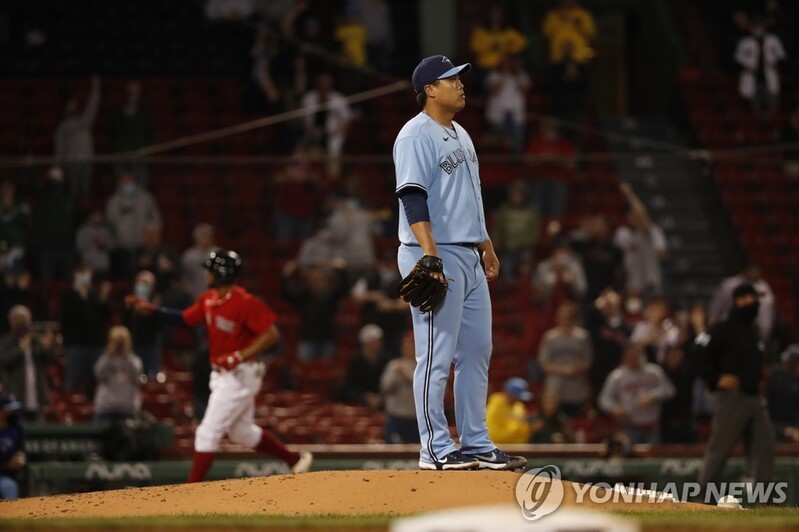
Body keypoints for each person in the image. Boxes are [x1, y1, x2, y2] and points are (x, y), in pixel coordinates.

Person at [393, 54, 526, 471]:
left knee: (477, 351)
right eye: (451, 79)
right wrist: (430, 254)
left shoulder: (463, 134)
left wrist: (485, 242)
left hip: (468, 252)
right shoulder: (415, 135)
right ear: (430, 89)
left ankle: (475, 442)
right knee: (436, 352)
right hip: (434, 252)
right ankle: (434, 448)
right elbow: (412, 196)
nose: (460, 84)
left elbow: (471, 197)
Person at [127, 249, 313, 482]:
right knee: (242, 432)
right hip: (223, 375)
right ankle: (295, 460)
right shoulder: (209, 299)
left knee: (207, 433)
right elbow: (185, 319)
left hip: (239, 374)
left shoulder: (244, 302)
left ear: (222, 273)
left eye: (211, 271)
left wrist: (239, 355)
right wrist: (154, 310)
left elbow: (272, 334)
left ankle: (190, 491)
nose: (207, 275)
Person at [693, 283, 775, 503]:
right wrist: (715, 379)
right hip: (732, 398)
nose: (754, 304)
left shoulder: (752, 329)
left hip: (754, 398)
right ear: (739, 301)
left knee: (764, 447)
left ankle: (765, 503)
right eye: (750, 298)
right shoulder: (723, 328)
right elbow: (699, 353)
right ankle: (701, 499)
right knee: (720, 450)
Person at [598, 343, 675, 445]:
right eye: (629, 356)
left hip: (652, 427)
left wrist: (652, 396)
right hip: (629, 426)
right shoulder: (617, 376)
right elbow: (604, 399)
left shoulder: (653, 372)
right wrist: (614, 408)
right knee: (626, 455)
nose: (632, 359)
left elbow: (670, 390)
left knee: (652, 457)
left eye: (635, 355)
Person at [0, 306, 57, 422]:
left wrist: (48, 347)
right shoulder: (5, 342)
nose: (21, 325)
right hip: (15, 399)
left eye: (24, 321)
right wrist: (21, 348)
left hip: (37, 399)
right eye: (18, 321)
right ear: (12, 323)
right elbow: (4, 360)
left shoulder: (36, 340)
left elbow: (52, 359)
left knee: (39, 436)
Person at [61, 265, 112, 395]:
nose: (84, 276)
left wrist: (104, 299)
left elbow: (106, 316)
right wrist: (81, 299)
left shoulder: (95, 294)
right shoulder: (69, 295)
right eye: (81, 273)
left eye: (87, 273)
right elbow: (69, 317)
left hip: (95, 345)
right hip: (75, 346)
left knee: (96, 383)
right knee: (72, 383)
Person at [536, 301, 592, 416]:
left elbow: (588, 360)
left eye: (568, 317)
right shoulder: (550, 337)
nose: (564, 320)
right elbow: (543, 362)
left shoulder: (582, 336)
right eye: (562, 317)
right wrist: (563, 370)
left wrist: (574, 370)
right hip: (555, 388)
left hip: (576, 387)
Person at [614, 183, 668, 298]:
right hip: (632, 286)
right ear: (628, 217)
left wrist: (630, 195)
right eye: (633, 214)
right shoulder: (622, 233)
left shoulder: (652, 230)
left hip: (651, 284)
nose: (636, 217)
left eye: (637, 214)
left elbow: (643, 218)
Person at [105, 172, 162, 279]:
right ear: (119, 183)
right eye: (124, 181)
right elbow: (110, 223)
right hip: (121, 246)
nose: (127, 184)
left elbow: (155, 218)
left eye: (129, 181)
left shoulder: (145, 197)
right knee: (123, 275)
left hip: (141, 245)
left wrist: (153, 233)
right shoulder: (114, 201)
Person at [54, 74, 101, 200]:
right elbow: (60, 147)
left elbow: (92, 106)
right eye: (70, 105)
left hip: (86, 160)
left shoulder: (84, 121)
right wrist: (59, 165)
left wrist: (96, 88)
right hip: (72, 162)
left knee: (85, 193)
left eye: (74, 105)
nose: (72, 106)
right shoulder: (63, 127)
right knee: (73, 193)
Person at [300, 73, 353, 177]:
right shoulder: (309, 98)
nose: (324, 83)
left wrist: (334, 132)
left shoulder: (338, 99)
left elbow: (348, 121)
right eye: (322, 80)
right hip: (312, 140)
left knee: (333, 172)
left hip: (332, 141)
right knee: (302, 163)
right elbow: (302, 120)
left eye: (326, 80)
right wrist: (309, 131)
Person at [708, 263, 775, 342]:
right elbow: (716, 305)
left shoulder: (763, 287)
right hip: (730, 328)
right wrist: (712, 321)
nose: (755, 273)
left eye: (756, 270)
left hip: (755, 330)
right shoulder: (729, 285)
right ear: (745, 270)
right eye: (752, 270)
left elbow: (769, 309)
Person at [734, 15, 786, 114]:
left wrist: (776, 63)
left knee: (772, 105)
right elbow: (737, 60)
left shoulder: (773, 39)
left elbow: (782, 56)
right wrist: (745, 67)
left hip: (769, 77)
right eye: (756, 26)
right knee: (754, 107)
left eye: (760, 26)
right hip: (752, 77)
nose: (758, 28)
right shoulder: (744, 42)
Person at [107, 80, 155, 186]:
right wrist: (119, 147)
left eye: (135, 92)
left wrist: (146, 149)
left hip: (139, 157)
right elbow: (111, 134)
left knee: (140, 186)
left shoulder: (144, 113)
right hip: (121, 156)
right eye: (130, 92)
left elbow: (151, 135)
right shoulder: (118, 114)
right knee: (122, 186)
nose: (132, 95)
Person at [491, 180, 540, 279]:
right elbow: (497, 229)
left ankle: (525, 290)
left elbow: (534, 232)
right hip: (507, 248)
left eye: (518, 194)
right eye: (513, 194)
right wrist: (496, 243)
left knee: (526, 264)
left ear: (524, 195)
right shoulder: (504, 209)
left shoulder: (531, 210)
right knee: (505, 266)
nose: (515, 197)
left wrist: (520, 243)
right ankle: (508, 289)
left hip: (525, 248)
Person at [93, 326, 143, 423]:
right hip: (106, 407)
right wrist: (109, 354)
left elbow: (136, 375)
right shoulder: (105, 359)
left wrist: (126, 355)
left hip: (127, 408)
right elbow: (98, 374)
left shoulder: (134, 360)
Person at [34, 166, 74, 281]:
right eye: (53, 179)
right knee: (47, 284)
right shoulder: (43, 197)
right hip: (47, 246)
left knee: (68, 282)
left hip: (65, 246)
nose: (55, 182)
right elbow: (36, 187)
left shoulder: (68, 199)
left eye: (57, 179)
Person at [484, 55, 530, 153]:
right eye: (504, 63)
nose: (507, 65)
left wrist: (515, 75)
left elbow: (524, 89)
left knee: (516, 140)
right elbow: (495, 89)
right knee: (498, 141)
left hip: (516, 114)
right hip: (498, 114)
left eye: (509, 63)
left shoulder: (521, 75)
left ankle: (516, 162)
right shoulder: (494, 75)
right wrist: (504, 76)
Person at [380, 332, 419, 444]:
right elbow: (384, 388)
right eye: (405, 347)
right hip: (396, 416)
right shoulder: (394, 365)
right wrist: (395, 377)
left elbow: (424, 389)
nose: (408, 350)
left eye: (411, 347)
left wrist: (407, 375)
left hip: (416, 417)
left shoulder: (422, 366)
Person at [343, 324, 389, 410]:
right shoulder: (355, 361)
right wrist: (366, 396)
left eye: (379, 341)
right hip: (360, 403)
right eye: (375, 341)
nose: (379, 344)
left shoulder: (387, 359)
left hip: (383, 402)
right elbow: (350, 388)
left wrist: (381, 397)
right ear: (366, 343)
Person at [766, 344, 799, 443]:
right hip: (776, 425)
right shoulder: (776, 375)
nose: (786, 364)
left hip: (795, 425)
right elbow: (767, 403)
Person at [485, 377, 534, 444]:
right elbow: (492, 435)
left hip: (520, 449)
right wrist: (517, 425)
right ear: (508, 393)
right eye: (516, 396)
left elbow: (524, 433)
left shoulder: (519, 406)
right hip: (501, 449)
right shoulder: (495, 406)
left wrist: (530, 428)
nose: (518, 399)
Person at [180, 223, 219, 299]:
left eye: (207, 235)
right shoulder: (188, 256)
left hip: (215, 296)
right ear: (196, 237)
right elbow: (184, 279)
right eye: (202, 235)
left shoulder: (219, 254)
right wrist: (192, 294)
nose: (205, 238)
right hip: (194, 296)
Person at [0, 181, 30, 276]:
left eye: (9, 190)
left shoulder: (21, 207)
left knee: (13, 280)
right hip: (1, 252)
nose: (7, 193)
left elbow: (23, 227)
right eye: (5, 190)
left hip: (15, 252)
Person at [75, 210, 115, 280]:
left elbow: (112, 246)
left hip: (103, 266)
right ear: (90, 216)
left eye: (99, 216)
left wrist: (103, 244)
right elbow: (79, 247)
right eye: (96, 216)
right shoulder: (83, 230)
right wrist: (92, 240)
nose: (98, 218)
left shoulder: (105, 231)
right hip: (88, 265)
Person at [0, 394, 25, 500]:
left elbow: (20, 454)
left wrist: (20, 458)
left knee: (9, 486)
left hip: (5, 477)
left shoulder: (16, 429)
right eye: (9, 410)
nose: (13, 413)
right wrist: (6, 465)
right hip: (4, 469)